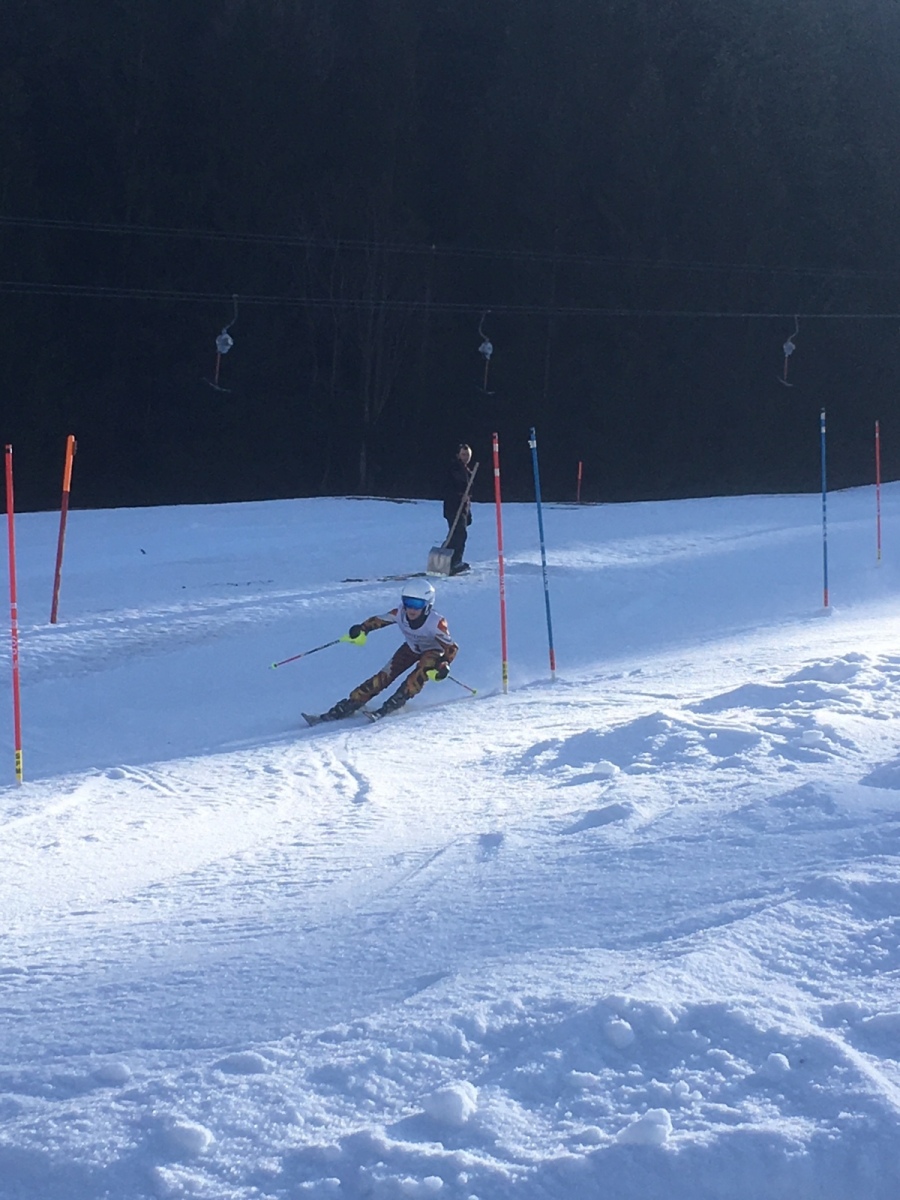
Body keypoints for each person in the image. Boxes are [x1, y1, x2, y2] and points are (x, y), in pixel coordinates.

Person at [314, 579, 458, 722]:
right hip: (411, 647)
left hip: (433, 651)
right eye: (407, 602)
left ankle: (397, 700)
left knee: (424, 668)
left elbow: (451, 647)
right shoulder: (400, 613)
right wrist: (362, 628)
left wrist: (444, 663)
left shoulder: (436, 623)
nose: (411, 609)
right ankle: (352, 702)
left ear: (428, 605)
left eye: (417, 604)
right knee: (385, 675)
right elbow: (379, 620)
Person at [443, 442, 475, 575]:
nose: (466, 457)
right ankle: (454, 562)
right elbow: (450, 487)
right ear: (458, 455)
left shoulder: (466, 470)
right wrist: (460, 495)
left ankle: (445, 561)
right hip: (454, 507)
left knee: (456, 534)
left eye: (468, 455)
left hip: (462, 508)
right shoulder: (455, 468)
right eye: (463, 454)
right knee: (459, 534)